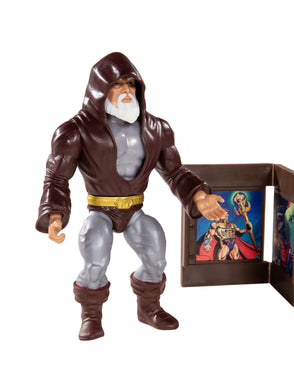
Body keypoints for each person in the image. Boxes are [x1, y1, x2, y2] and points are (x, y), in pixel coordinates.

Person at [36, 52, 225, 340]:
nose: (126, 90)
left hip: (135, 210)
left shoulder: (156, 129)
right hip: (100, 211)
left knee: (156, 255)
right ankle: (91, 316)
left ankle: (149, 309)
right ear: (99, 89)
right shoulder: (75, 131)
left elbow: (175, 172)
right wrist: (55, 214)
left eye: (130, 83)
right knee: (95, 261)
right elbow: (57, 177)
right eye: (117, 84)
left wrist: (199, 196)